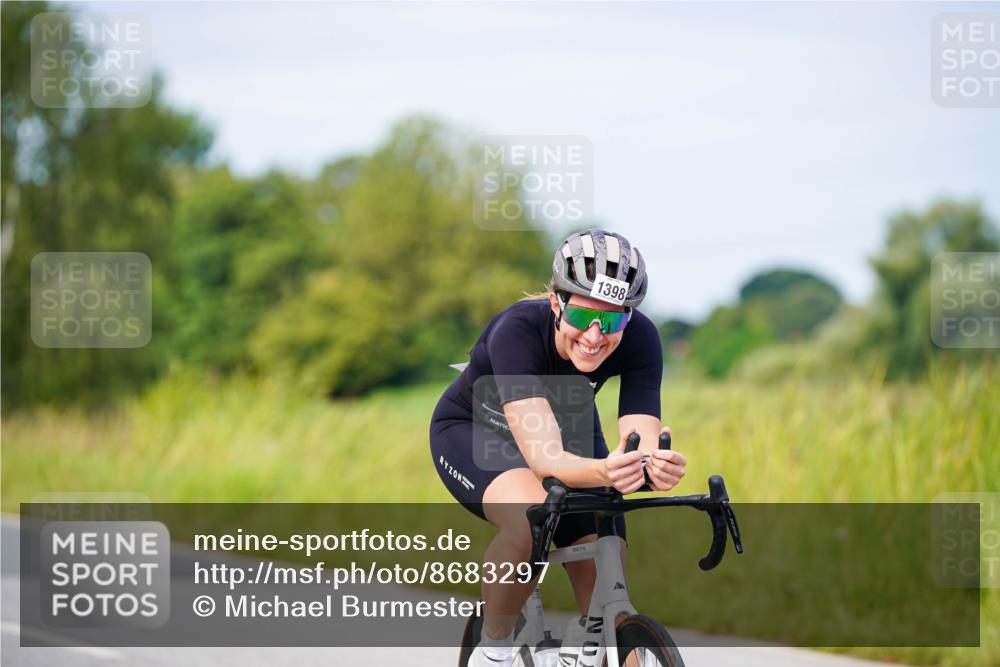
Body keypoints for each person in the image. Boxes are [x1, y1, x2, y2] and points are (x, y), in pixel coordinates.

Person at [429, 229, 687, 667]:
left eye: (612, 321)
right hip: (477, 431)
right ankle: (493, 651)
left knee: (607, 576)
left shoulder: (641, 337)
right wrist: (607, 471)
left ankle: (591, 651)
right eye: (583, 315)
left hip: (568, 431)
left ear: (628, 317)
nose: (595, 335)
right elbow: (545, 459)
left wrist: (651, 468)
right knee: (531, 518)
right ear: (556, 303)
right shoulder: (517, 330)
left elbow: (639, 441)